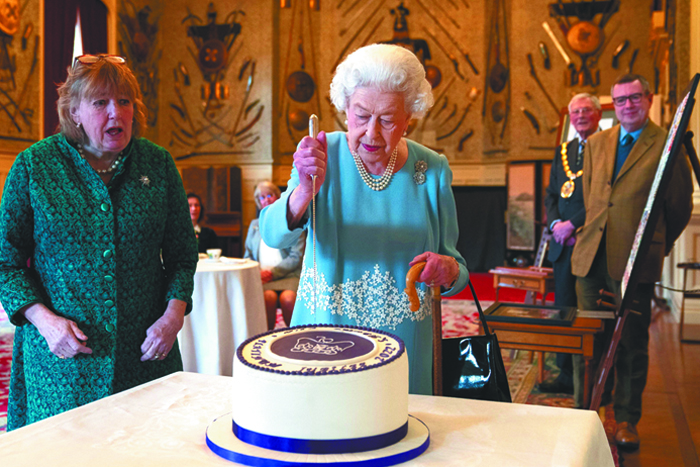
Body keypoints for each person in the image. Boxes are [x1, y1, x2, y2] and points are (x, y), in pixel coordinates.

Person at [0, 54, 198, 430]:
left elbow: (182, 256)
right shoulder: (33, 167)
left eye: (124, 102)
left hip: (144, 357)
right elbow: (5, 263)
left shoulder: (157, 164)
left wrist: (173, 316)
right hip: (62, 364)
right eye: (101, 102)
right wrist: (44, 321)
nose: (116, 113)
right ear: (74, 111)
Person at [259, 44, 468, 395]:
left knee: (402, 437)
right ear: (344, 108)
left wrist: (447, 269)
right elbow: (272, 234)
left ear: (409, 118)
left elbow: (457, 269)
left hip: (405, 343)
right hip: (326, 338)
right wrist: (303, 193)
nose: (372, 132)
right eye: (360, 115)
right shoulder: (320, 152)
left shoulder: (431, 169)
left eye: (387, 120)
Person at [571, 74, 693, 449]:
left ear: (649, 99)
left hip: (634, 263)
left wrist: (656, 245)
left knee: (631, 344)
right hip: (591, 258)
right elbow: (594, 200)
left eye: (634, 98)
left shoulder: (666, 145)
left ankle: (626, 419)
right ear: (613, 104)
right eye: (620, 100)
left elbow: (679, 208)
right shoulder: (598, 143)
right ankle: (585, 412)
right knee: (587, 341)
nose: (627, 105)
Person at [541, 93, 602, 395]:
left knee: (588, 313)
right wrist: (555, 225)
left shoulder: (608, 148)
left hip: (591, 243)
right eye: (575, 111)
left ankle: (592, 379)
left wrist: (572, 224)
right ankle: (565, 376)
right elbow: (551, 194)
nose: (580, 115)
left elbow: (602, 196)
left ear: (599, 113)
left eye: (586, 110)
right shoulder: (564, 150)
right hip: (562, 245)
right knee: (564, 309)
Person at [244, 181, 305, 329]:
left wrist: (272, 273)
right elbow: (248, 256)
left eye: (269, 195)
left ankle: (297, 337)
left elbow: (296, 257)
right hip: (263, 278)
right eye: (261, 197)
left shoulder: (293, 221)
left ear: (278, 197)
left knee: (288, 299)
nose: (266, 200)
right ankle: (267, 338)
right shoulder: (254, 225)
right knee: (267, 298)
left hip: (289, 275)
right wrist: (257, 273)